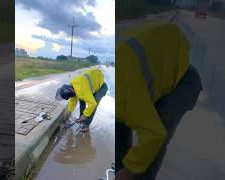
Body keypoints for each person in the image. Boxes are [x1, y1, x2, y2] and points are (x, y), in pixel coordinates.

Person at [116, 22, 202, 180]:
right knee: (119, 131)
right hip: (159, 63)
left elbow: (153, 135)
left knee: (152, 149)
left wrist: (129, 171)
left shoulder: (125, 96)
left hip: (182, 83)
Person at [55, 68, 108, 132]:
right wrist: (68, 115)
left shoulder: (82, 91)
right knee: (82, 100)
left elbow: (92, 104)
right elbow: (72, 102)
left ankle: (86, 124)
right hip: (90, 84)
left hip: (101, 87)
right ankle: (81, 119)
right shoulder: (73, 86)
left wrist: (85, 115)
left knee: (93, 105)